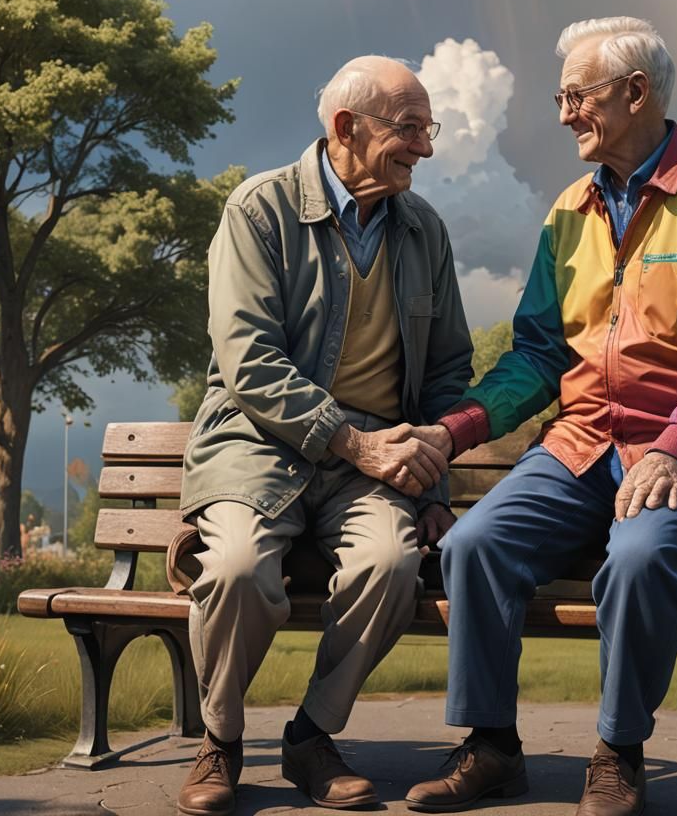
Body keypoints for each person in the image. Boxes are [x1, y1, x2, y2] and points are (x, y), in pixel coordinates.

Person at [405, 17, 677, 816]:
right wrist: (454, 430)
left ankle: (618, 752)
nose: (563, 114)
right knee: (473, 545)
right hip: (582, 441)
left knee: (640, 556)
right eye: (560, 98)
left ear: (636, 92)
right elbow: (538, 354)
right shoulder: (569, 211)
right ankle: (492, 748)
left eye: (577, 96)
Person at [176, 56, 473, 816]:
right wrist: (351, 441)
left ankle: (311, 737)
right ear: (346, 127)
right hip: (258, 443)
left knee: (391, 565)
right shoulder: (258, 209)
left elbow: (448, 370)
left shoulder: (424, 230)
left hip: (371, 459)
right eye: (409, 129)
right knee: (237, 569)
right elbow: (248, 359)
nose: (425, 147)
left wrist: (432, 487)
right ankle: (221, 740)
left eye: (428, 129)